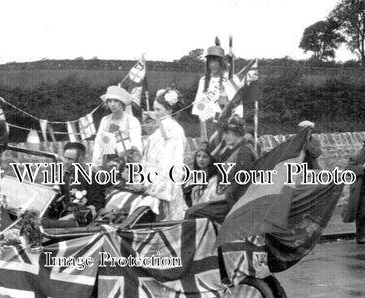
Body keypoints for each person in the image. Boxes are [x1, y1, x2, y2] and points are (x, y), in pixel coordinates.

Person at [185, 118, 257, 224]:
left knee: (192, 212)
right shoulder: (239, 149)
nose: (224, 136)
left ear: (237, 133)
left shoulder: (243, 153)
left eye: (227, 133)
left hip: (237, 203)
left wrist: (219, 197)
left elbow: (240, 186)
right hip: (232, 199)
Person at [136, 88, 188, 220]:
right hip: (151, 182)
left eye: (158, 110)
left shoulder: (173, 130)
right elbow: (149, 157)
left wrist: (158, 188)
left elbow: (171, 161)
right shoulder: (162, 128)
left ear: (170, 111)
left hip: (164, 185)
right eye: (154, 109)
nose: (154, 113)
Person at [91, 86, 142, 169]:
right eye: (110, 101)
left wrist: (133, 167)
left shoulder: (131, 121)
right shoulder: (105, 120)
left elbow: (136, 146)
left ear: (121, 102)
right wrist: (96, 164)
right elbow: (98, 143)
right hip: (107, 164)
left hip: (126, 164)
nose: (112, 104)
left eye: (116, 101)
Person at [57, 142, 106, 225]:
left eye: (70, 159)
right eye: (65, 158)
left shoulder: (92, 176)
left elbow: (96, 206)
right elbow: (62, 198)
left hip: (83, 221)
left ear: (81, 159)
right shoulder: (66, 175)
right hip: (64, 215)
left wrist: (71, 217)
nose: (65, 161)